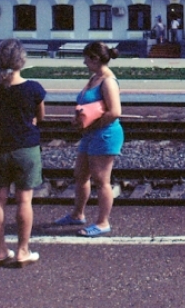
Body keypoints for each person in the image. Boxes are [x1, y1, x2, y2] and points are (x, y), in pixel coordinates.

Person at [0, 38, 46, 268]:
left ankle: (1, 251)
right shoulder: (33, 88)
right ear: (21, 61)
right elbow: (40, 117)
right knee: (24, 200)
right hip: (25, 149)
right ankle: (23, 251)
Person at [54, 41, 123, 237]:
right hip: (91, 133)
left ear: (94, 58)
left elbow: (115, 111)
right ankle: (77, 214)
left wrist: (91, 125)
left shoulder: (108, 81)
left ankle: (102, 222)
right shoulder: (95, 77)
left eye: (86, 58)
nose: (84, 62)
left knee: (102, 181)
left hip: (105, 134)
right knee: (81, 175)